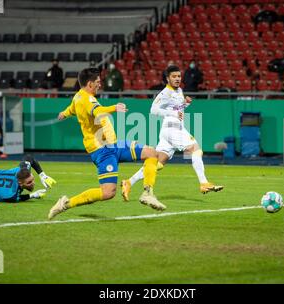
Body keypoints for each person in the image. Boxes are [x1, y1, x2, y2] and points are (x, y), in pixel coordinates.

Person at [48, 68, 165, 220]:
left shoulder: (78, 97)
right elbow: (98, 111)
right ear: (89, 84)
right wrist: (114, 108)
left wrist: (63, 113)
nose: (100, 84)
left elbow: (71, 109)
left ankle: (148, 193)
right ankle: (66, 203)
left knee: (152, 153)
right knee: (108, 192)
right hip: (102, 150)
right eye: (97, 82)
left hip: (113, 145)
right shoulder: (87, 100)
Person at [121, 65, 223, 201]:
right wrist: (172, 112)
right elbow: (153, 110)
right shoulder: (165, 93)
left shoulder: (179, 90)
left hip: (171, 130)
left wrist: (185, 104)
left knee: (158, 162)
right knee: (195, 149)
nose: (177, 79)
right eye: (174, 76)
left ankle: (128, 182)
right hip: (172, 128)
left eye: (179, 76)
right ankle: (203, 182)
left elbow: (176, 109)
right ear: (167, 78)